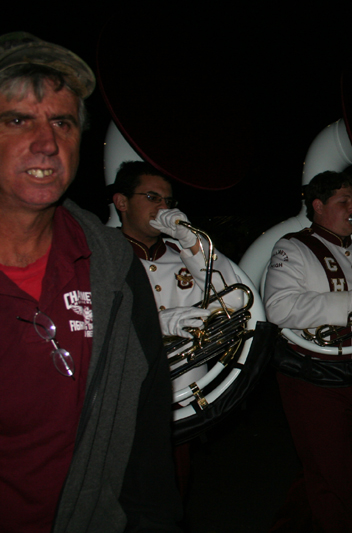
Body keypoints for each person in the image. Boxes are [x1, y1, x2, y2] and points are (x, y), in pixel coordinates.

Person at [0, 32, 181, 532]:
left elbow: (146, 426)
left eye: (62, 122)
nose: (47, 143)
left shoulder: (112, 263)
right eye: (17, 120)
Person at [264, 170, 352, 532]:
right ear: (318, 205)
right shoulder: (293, 247)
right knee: (335, 481)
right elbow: (279, 307)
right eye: (343, 201)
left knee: (328, 469)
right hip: (313, 377)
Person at [110, 160, 245, 393]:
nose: (164, 208)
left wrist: (191, 239)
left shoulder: (187, 253)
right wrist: (153, 325)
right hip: (129, 393)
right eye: (153, 198)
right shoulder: (102, 257)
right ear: (122, 202)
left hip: (190, 392)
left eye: (168, 201)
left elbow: (234, 301)